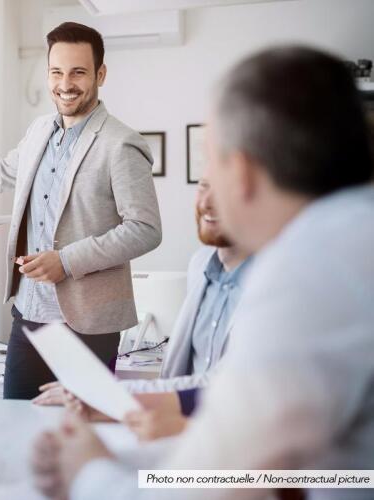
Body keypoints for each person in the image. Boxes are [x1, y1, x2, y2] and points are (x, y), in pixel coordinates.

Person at [31, 45, 374, 500]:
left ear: (242, 172)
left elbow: (214, 486)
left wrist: (87, 473)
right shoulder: (348, 235)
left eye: (212, 160)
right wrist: (122, 422)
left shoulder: (312, 266)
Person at [0, 22, 162, 400]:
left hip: (89, 325)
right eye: (56, 72)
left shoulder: (120, 143)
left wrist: (66, 261)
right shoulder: (39, 131)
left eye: (78, 72)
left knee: (80, 430)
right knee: (15, 421)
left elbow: (145, 228)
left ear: (100, 75)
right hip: (28, 315)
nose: (65, 83)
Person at [34, 175, 252, 421]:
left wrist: (107, 394)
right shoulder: (200, 264)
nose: (207, 202)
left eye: (224, 189)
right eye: (204, 186)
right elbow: (184, 376)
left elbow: (227, 386)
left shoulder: (276, 285)